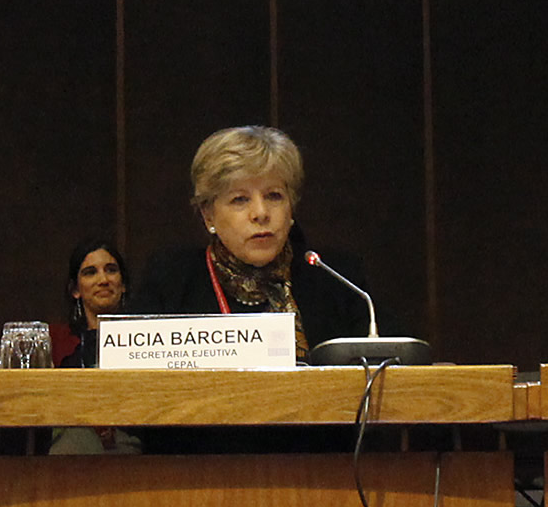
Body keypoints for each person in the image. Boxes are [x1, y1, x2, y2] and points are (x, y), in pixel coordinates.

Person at [124, 126, 388, 358]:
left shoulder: (339, 280)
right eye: (240, 199)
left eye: (274, 196)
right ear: (208, 215)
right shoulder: (171, 282)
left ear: (291, 207)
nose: (261, 213)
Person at [53, 238, 125, 366]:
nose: (103, 280)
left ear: (123, 284)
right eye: (91, 273)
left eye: (111, 270)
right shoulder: (64, 355)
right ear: (75, 289)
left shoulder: (147, 345)